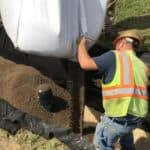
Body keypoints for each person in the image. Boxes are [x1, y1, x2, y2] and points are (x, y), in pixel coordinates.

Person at [77, 30, 149, 150]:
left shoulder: (114, 56)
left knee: (101, 144)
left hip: (118, 118)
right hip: (136, 119)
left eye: (116, 45)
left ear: (121, 43)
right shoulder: (143, 66)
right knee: (126, 136)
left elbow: (85, 63)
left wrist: (81, 44)